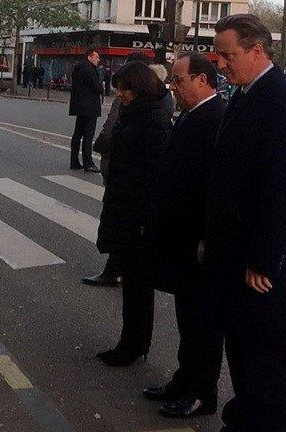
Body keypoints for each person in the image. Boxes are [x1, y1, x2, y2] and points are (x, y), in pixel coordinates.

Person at [205, 14, 286, 432]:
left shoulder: (285, 101)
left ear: (257, 50)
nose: (220, 63)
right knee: (244, 355)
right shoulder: (248, 94)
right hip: (237, 256)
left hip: (264, 267)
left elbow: (281, 191)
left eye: (227, 54)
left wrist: (264, 261)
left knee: (266, 364)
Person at [142, 53, 225, 419]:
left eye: (178, 80)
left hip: (196, 241)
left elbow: (213, 188)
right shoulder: (194, 115)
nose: (172, 87)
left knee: (201, 323)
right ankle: (184, 379)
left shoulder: (214, 119)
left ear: (202, 80)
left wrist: (206, 237)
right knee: (186, 317)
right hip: (181, 237)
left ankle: (201, 392)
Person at [95, 61, 172, 367]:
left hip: (137, 216)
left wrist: (145, 219)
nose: (120, 95)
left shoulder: (154, 120)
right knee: (133, 283)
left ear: (138, 87)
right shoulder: (136, 113)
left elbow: (155, 175)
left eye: (124, 89)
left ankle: (134, 345)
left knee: (139, 287)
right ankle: (130, 342)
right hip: (125, 209)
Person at [83, 52, 149, 288]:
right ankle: (117, 267)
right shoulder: (158, 97)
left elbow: (111, 128)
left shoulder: (127, 101)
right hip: (131, 176)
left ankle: (115, 269)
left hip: (121, 171)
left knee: (119, 219)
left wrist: (99, 147)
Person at [69, 49, 104, 172]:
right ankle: (88, 163)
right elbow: (97, 87)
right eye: (96, 57)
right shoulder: (89, 69)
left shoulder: (78, 68)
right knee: (88, 135)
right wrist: (101, 87)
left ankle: (74, 161)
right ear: (90, 57)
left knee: (78, 134)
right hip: (90, 107)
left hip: (80, 106)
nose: (98, 60)